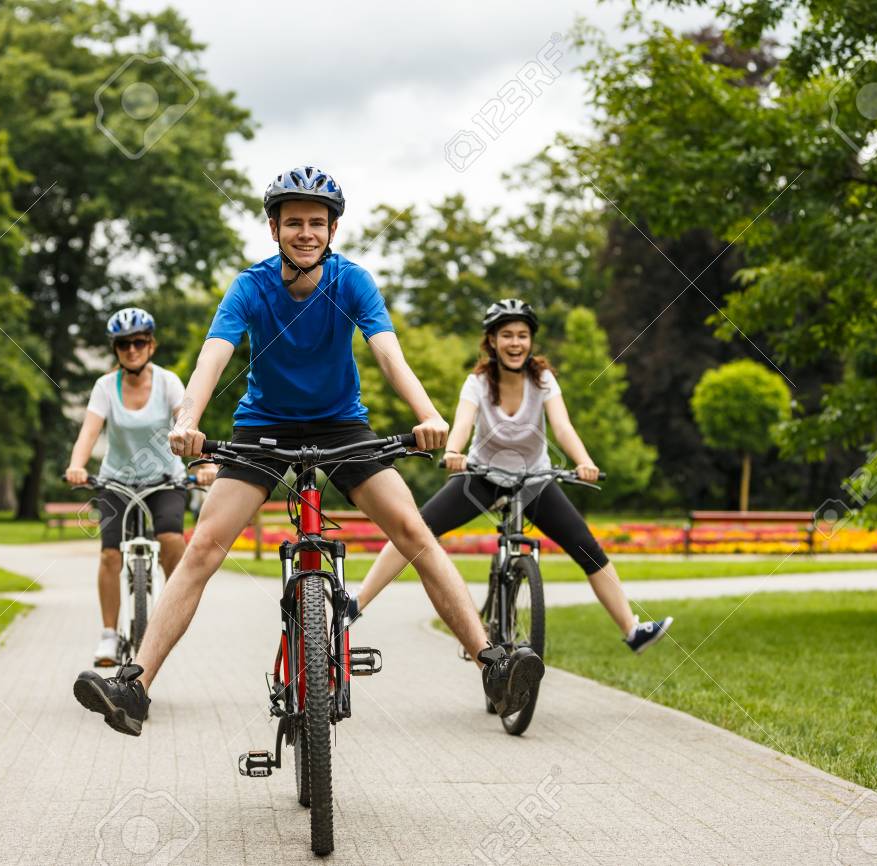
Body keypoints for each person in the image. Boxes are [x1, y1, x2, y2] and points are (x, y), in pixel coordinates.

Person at [73, 165, 544, 737]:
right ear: (274, 228)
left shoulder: (352, 282)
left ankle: (490, 664)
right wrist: (189, 419)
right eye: (292, 222)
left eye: (316, 223)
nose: (305, 232)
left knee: (414, 532)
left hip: (343, 426)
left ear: (333, 230)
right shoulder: (250, 286)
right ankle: (135, 686)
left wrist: (428, 415)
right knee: (203, 549)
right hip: (263, 428)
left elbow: (389, 356)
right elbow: (212, 358)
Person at [354, 299, 674, 653]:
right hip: (480, 476)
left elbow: (563, 427)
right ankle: (357, 604)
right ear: (491, 341)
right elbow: (463, 423)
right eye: (506, 334)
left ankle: (632, 630)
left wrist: (584, 461)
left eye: (523, 335)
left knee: (588, 548)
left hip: (534, 480)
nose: (515, 342)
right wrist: (453, 453)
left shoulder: (543, 380)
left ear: (531, 341)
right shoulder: (477, 382)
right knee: (415, 529)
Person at [65, 308, 217, 667]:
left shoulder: (167, 382)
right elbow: (90, 431)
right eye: (123, 344)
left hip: (164, 479)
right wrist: (76, 465)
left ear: (151, 344)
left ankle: (171, 606)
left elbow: (187, 422)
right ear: (115, 349)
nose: (131, 349)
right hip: (116, 480)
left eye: (138, 342)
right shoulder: (105, 387)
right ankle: (107, 634)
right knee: (108, 554)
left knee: (170, 539)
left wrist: (205, 461)